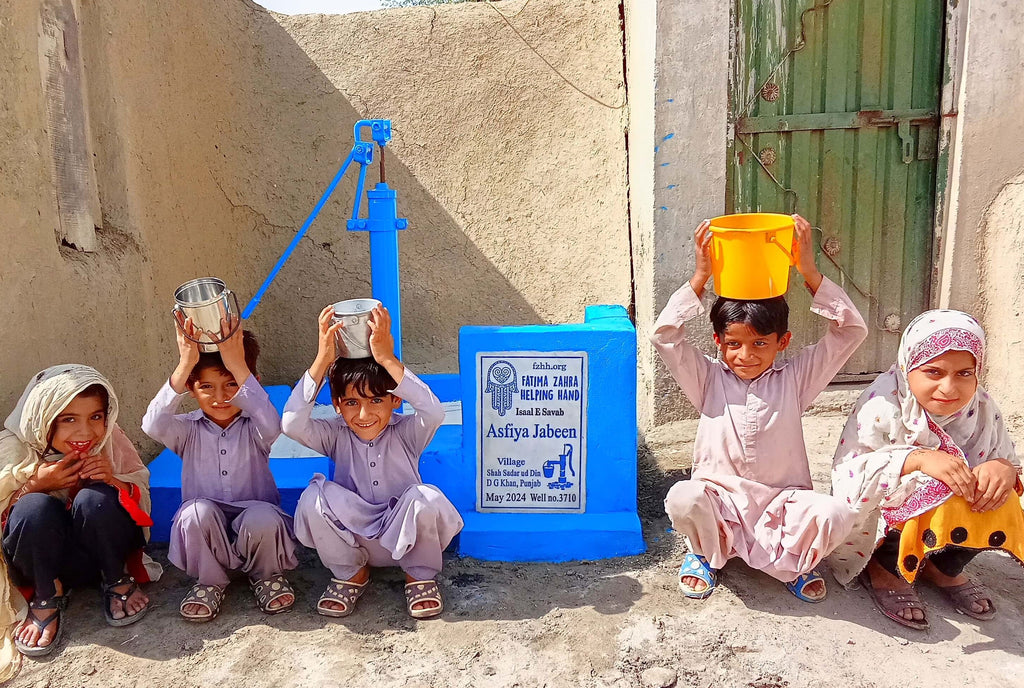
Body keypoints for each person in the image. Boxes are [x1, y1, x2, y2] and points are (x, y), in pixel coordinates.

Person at [652, 215, 867, 602]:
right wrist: (701, 276)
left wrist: (808, 270)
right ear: (718, 341)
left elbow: (851, 330)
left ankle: (795, 562)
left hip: (782, 503)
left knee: (836, 514)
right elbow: (664, 336)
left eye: (760, 344)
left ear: (782, 341)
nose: (745, 355)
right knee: (683, 497)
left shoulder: (796, 378)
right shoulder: (707, 378)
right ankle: (705, 554)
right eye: (733, 344)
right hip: (719, 500)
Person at [831, 310, 1022, 630]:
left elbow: (1007, 458)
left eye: (964, 373)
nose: (949, 388)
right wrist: (916, 460)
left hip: (945, 519)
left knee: (999, 491)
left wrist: (1003, 468)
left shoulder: (983, 408)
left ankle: (943, 567)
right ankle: (884, 569)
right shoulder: (883, 405)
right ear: (908, 368)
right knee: (927, 483)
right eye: (933, 371)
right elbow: (849, 476)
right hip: (879, 523)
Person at [282, 303, 463, 619]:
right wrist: (322, 360)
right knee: (313, 497)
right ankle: (351, 575)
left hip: (405, 539)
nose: (364, 414)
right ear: (337, 405)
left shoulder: (407, 432)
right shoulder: (334, 435)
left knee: (426, 498)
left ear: (396, 400)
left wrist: (387, 359)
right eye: (351, 402)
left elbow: (434, 411)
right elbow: (291, 424)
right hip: (353, 542)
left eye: (376, 400)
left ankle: (419, 576)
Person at [0, 365, 161, 671]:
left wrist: (113, 481)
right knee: (34, 508)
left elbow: (140, 487)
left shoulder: (111, 439)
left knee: (95, 499)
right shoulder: (12, 449)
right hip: (44, 566)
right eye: (68, 419)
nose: (85, 432)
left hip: (100, 556)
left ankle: (115, 580)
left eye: (95, 417)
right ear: (44, 417)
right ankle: (48, 595)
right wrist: (36, 485)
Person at [142, 318, 297, 621]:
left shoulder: (257, 428)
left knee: (263, 516)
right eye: (207, 387)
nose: (221, 396)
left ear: (250, 382)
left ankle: (266, 576)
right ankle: (210, 581)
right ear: (191, 387)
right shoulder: (186, 430)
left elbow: (269, 419)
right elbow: (152, 423)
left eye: (232, 384)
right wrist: (186, 362)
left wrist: (238, 363)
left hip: (255, 523)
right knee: (193, 514)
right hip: (207, 528)